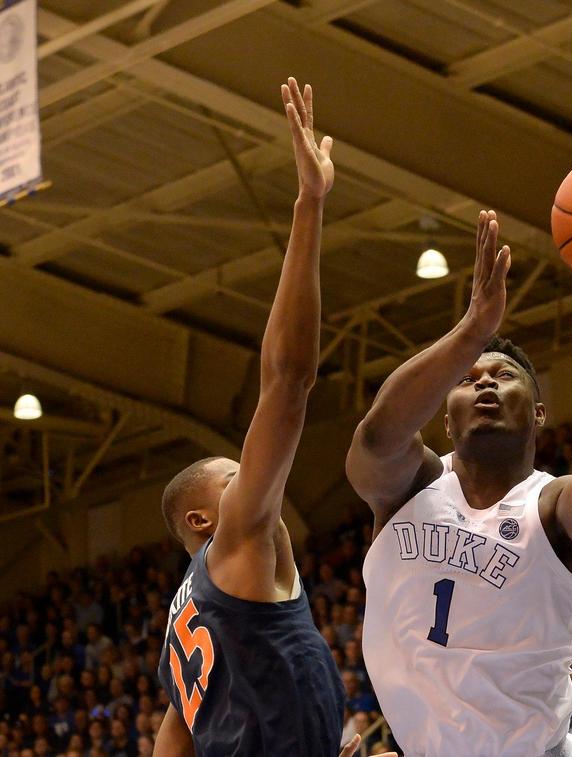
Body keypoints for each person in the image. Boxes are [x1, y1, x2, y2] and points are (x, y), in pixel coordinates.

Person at [347, 196, 572, 755]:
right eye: (468, 379)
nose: (485, 383)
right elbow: (374, 439)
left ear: (538, 411)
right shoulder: (409, 488)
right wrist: (470, 331)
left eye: (505, 375)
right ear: (445, 415)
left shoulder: (551, 506)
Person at [152, 80, 355, 757]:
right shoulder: (235, 540)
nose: (258, 476)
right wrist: (309, 205)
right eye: (237, 475)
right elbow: (288, 380)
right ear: (202, 521)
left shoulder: (182, 619)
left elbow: (174, 734)